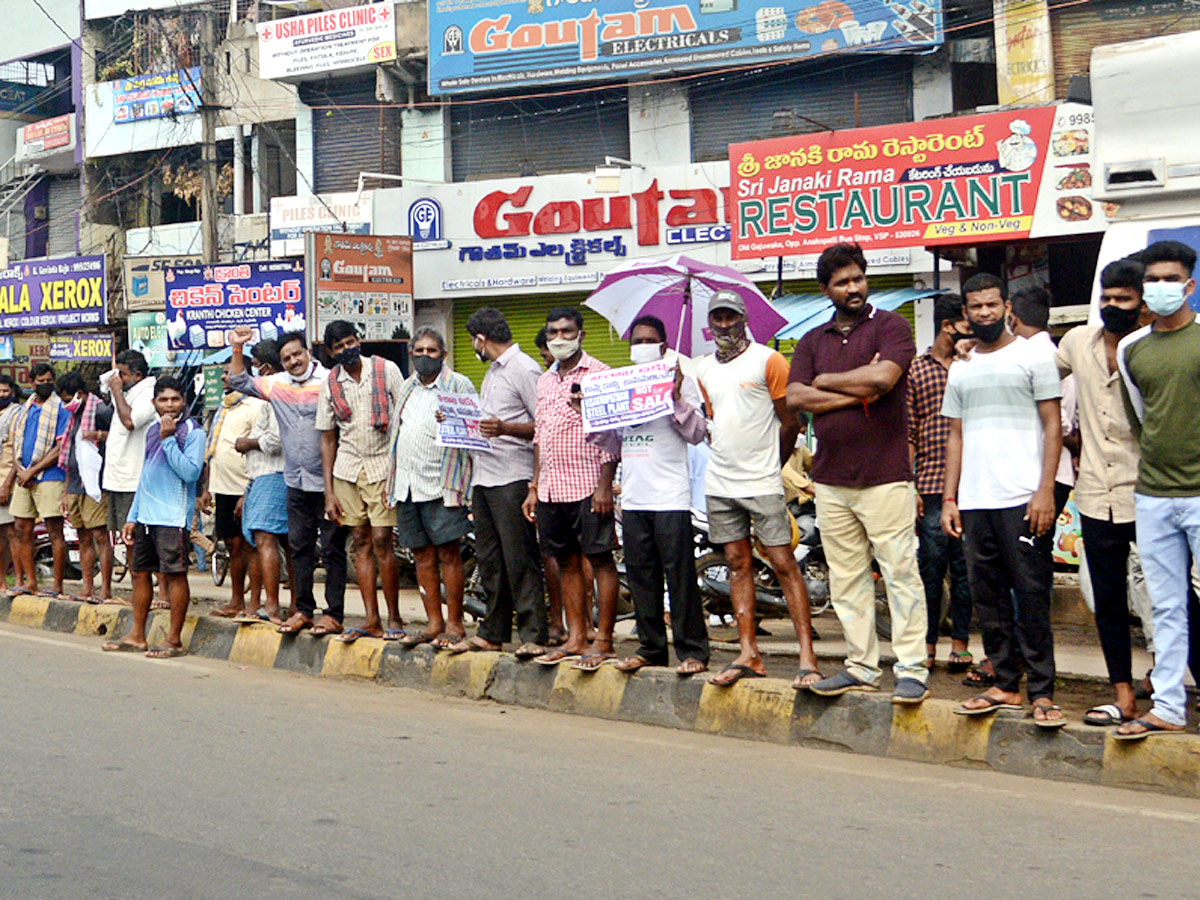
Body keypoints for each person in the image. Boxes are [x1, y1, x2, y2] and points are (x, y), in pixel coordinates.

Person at [788, 243, 929, 704]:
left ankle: (911, 669)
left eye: (858, 279)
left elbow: (885, 379)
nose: (853, 288)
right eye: (842, 282)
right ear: (825, 289)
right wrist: (858, 391)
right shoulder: (812, 341)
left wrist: (827, 382)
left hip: (886, 475)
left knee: (900, 573)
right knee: (846, 579)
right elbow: (796, 400)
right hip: (830, 480)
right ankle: (861, 667)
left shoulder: (891, 325)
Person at [942, 272, 1065, 727]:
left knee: (1031, 594)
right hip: (975, 501)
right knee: (986, 594)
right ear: (966, 313)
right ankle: (1004, 684)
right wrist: (950, 498)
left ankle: (1043, 692)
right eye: (976, 307)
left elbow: (1053, 425)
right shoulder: (962, 367)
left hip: (1023, 498)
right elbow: (954, 435)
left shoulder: (1034, 357)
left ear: (1006, 306)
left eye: (992, 305)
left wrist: (1045, 490)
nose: (985, 313)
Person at [695, 290, 820, 689]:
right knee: (736, 563)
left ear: (744, 318)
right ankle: (749, 653)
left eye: (731, 317)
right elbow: (715, 421)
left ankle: (807, 656)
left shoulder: (769, 360)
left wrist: (773, 464)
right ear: (710, 323)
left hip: (762, 481)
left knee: (783, 562)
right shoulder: (703, 371)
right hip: (721, 482)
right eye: (718, 318)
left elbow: (791, 422)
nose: (724, 325)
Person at [1056, 258, 1148, 726]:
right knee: (1108, 601)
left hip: (1154, 492)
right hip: (1096, 492)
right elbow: (1033, 373)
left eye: (1123, 300)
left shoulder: (1153, 348)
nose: (1113, 307)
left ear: (1142, 303)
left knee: (1176, 599)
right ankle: (1123, 695)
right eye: (1106, 298)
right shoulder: (1076, 342)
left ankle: (1172, 683)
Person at [1114, 240, 1200, 739]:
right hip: (1154, 494)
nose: (1163, 288)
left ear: (1189, 286)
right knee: (1164, 605)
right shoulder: (1131, 349)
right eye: (1154, 280)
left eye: (1172, 279)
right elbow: (1140, 421)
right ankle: (1167, 705)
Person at [594, 315, 711, 676]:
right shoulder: (620, 382)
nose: (642, 345)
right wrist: (590, 416)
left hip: (670, 496)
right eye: (637, 340)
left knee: (680, 576)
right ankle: (651, 647)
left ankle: (692, 650)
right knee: (642, 575)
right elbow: (613, 441)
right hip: (634, 496)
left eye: (649, 339)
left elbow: (698, 433)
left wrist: (675, 398)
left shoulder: (682, 380)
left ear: (663, 344)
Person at [230, 326, 349, 637]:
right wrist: (237, 347)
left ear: (308, 352)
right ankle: (304, 611)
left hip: (329, 483)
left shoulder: (330, 381)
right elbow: (239, 380)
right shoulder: (276, 384)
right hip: (294, 481)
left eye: (297, 354)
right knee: (299, 549)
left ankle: (334, 614)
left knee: (334, 550)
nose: (294, 361)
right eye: (287, 358)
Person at [522, 307, 622, 670]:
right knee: (564, 562)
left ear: (581, 335)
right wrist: (534, 486)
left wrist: (605, 485)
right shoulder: (545, 380)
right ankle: (576, 636)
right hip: (551, 488)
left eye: (567, 331)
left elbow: (612, 435)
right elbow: (539, 436)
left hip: (588, 485)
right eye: (553, 332)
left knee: (599, 559)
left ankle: (604, 639)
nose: (559, 338)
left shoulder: (600, 375)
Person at [450, 308, 547, 657]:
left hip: (513, 476)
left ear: (480, 339)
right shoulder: (492, 372)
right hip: (485, 476)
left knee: (519, 558)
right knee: (491, 559)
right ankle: (493, 630)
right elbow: (487, 423)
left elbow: (545, 425)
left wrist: (505, 429)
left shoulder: (524, 369)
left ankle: (535, 633)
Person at [384, 327, 474, 649]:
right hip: (407, 485)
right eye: (419, 351)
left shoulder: (457, 384)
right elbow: (397, 437)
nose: (424, 356)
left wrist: (452, 420)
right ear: (411, 354)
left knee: (449, 554)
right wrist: (391, 481)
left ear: (443, 355)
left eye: (431, 351)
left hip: (442, 482)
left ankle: (455, 625)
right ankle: (433, 623)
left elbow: (475, 430)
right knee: (421, 555)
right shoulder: (406, 387)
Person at [101, 377, 204, 658]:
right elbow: (145, 475)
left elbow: (191, 473)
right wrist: (133, 516)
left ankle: (173, 640)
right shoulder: (150, 432)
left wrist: (169, 441)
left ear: (183, 400)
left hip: (172, 517)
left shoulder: (192, 431)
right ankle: (137, 635)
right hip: (147, 516)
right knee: (139, 573)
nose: (169, 405)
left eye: (175, 399)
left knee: (175, 575)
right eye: (163, 400)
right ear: (154, 403)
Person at [317, 320, 405, 643]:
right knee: (360, 541)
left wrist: (397, 472)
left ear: (360, 340)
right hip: (348, 470)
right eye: (339, 347)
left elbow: (403, 419)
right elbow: (327, 438)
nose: (346, 349)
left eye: (350, 342)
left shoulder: (386, 369)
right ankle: (372, 620)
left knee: (383, 539)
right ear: (331, 352)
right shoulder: (330, 383)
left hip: (383, 467)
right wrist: (329, 492)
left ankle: (394, 617)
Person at [907, 293, 975, 672]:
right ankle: (929, 642)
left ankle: (961, 642)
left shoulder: (974, 365)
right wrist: (913, 486)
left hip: (973, 484)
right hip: (931, 484)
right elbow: (909, 432)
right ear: (948, 326)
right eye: (967, 323)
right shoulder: (918, 370)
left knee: (965, 568)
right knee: (930, 568)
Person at [235, 340, 291, 625]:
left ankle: (271, 607)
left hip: (274, 473)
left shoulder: (277, 395)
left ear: (265, 368)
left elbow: (275, 441)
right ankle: (287, 605)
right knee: (280, 541)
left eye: (255, 367)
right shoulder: (273, 396)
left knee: (265, 540)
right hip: (265, 476)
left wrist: (247, 442)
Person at [201, 365, 264, 619]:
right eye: (224, 373)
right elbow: (212, 450)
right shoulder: (223, 407)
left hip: (245, 487)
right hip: (222, 488)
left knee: (252, 546)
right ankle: (236, 601)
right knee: (232, 545)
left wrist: (247, 493)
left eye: (230, 373)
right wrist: (207, 488)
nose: (225, 377)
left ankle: (255, 603)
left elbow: (259, 450)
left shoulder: (255, 406)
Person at [1009, 286, 1077, 518]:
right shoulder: (1055, 353)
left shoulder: (1032, 355)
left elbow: (1060, 421)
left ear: (1013, 318)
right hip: (1056, 470)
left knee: (1029, 547)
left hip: (1041, 472)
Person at [7, 363, 71, 599]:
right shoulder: (25, 408)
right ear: (32, 382)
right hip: (24, 475)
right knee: (22, 528)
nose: (45, 384)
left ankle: (57, 585)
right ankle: (30, 582)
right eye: (40, 381)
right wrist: (21, 469)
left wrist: (32, 471)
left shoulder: (61, 408)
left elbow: (59, 447)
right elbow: (15, 442)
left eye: (49, 380)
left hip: (50, 476)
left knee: (55, 531)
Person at [56, 371, 114, 603]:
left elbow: (120, 437)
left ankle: (105, 589)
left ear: (79, 394)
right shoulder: (74, 416)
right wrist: (65, 490)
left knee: (100, 535)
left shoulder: (100, 410)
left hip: (96, 483)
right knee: (82, 536)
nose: (65, 404)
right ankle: (87, 586)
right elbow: (70, 451)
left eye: (66, 398)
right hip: (74, 483)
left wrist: (97, 434)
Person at [101, 350, 156, 537]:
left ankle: (136, 568)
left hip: (134, 479)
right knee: (122, 534)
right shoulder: (130, 392)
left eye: (122, 374)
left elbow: (130, 422)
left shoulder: (149, 392)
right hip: (119, 479)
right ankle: (131, 567)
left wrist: (116, 391)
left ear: (138, 375)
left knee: (134, 535)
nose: (118, 379)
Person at [0, 376, 26, 595]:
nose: (1, 395)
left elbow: (18, 452)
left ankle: (18, 579)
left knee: (13, 533)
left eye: (5, 391)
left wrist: (7, 484)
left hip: (7, 481)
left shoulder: (17, 414)